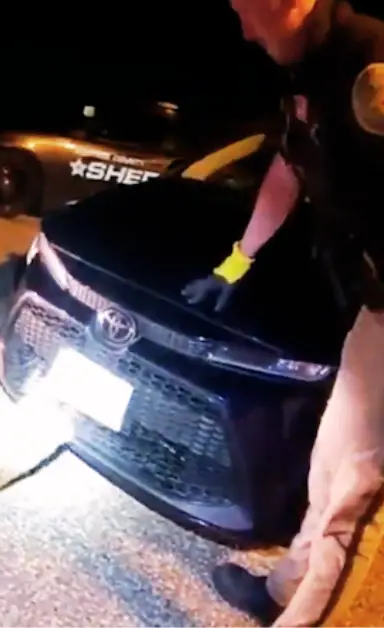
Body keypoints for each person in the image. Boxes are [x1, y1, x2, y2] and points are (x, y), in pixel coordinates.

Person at [181, 0, 384, 624]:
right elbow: (289, 167)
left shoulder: (374, 73)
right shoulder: (311, 71)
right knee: (331, 470)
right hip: (376, 303)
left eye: (250, 12)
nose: (243, 30)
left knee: (349, 498)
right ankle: (280, 596)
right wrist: (235, 265)